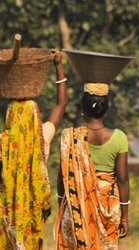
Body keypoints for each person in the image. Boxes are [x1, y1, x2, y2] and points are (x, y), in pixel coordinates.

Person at [0, 49, 67, 249]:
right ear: (35, 117)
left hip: (5, 220)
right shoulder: (42, 139)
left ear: (10, 118)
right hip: (31, 218)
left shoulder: (2, 144)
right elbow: (61, 105)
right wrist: (59, 67)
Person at [54, 83, 130, 250]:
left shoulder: (70, 138)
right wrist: (124, 217)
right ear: (106, 110)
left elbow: (62, 176)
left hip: (75, 206)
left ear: (83, 110)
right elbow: (123, 179)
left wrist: (62, 203)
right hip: (108, 206)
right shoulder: (119, 138)